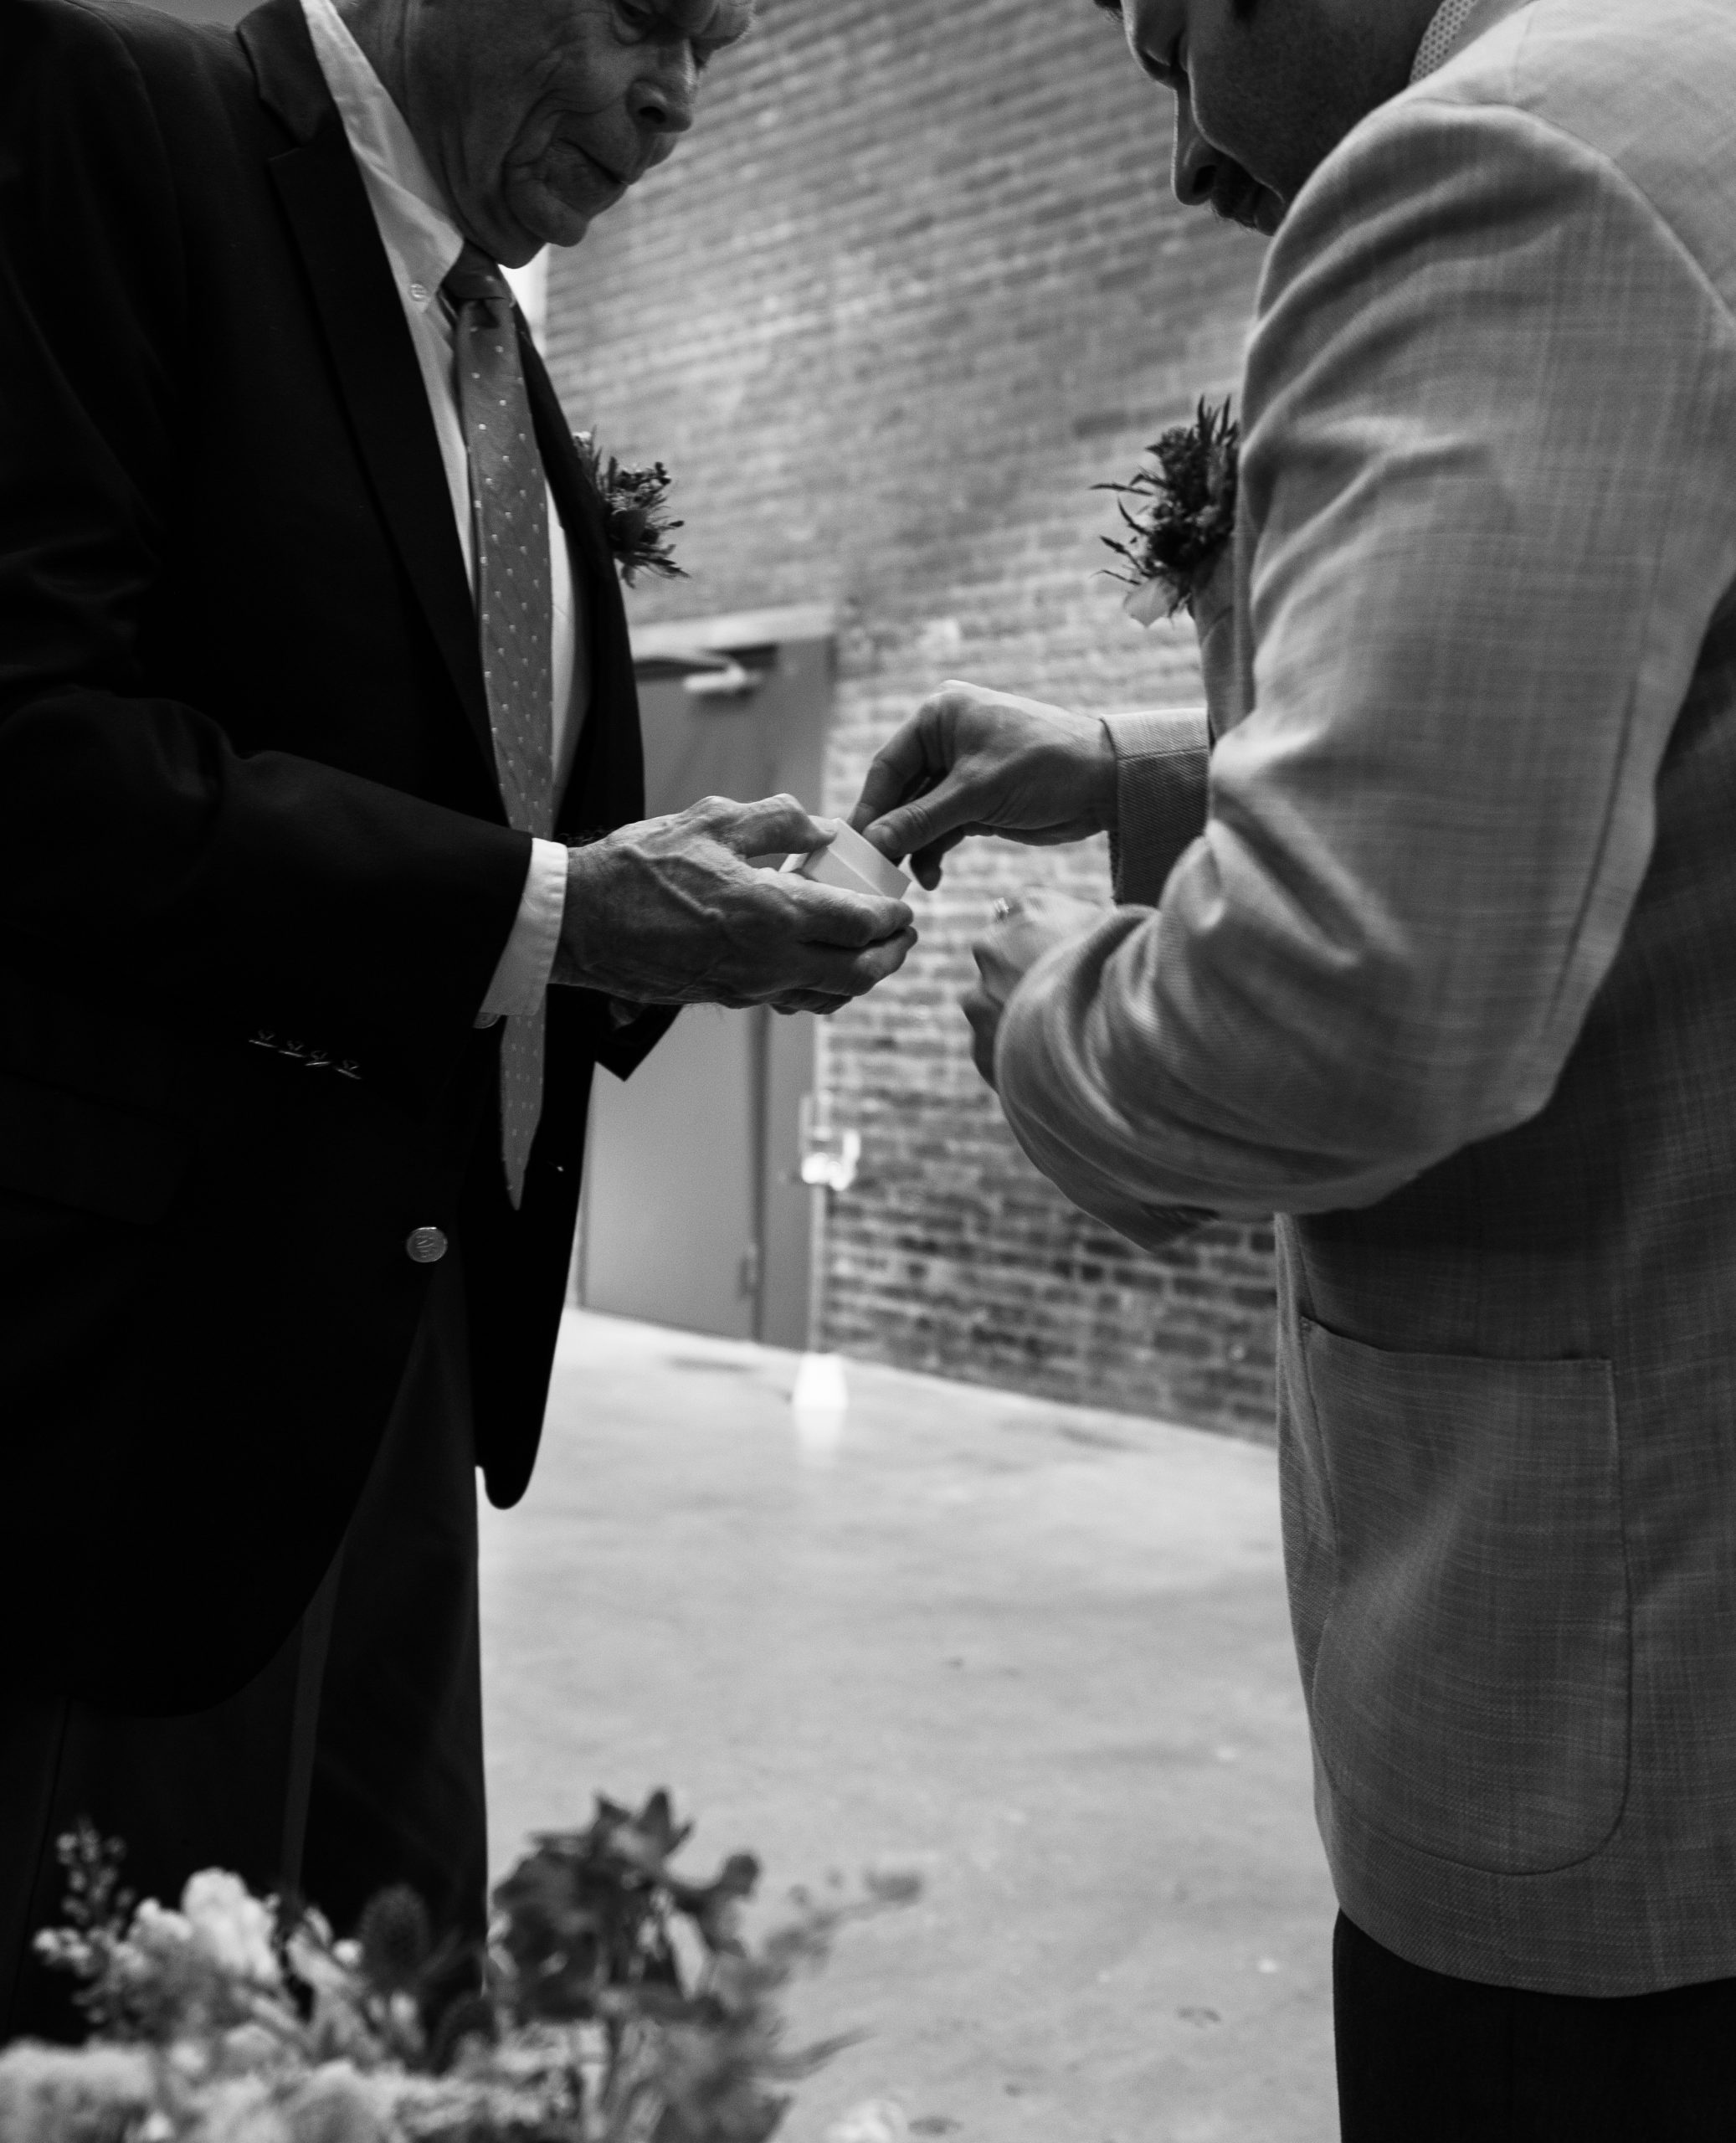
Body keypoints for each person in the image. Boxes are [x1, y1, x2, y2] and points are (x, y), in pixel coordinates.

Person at [853, 0, 1736, 2133]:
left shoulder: (1512, 163)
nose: (1182, 157)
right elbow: (1628, 709)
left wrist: (1048, 1007)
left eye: (1166, 49)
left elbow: (1352, 1007)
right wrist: (1135, 773)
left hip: (1622, 1706)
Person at [0, 0, 913, 2038]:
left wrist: (678, 909)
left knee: (390, 2038)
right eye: (645, 16)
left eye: (718, 48)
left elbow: (474, 807)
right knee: (134, 2047)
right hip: (145, 1387)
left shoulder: (483, 333)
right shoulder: (119, 109)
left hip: (404, 1358)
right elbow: (38, 746)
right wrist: (566, 906)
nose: (678, 99)